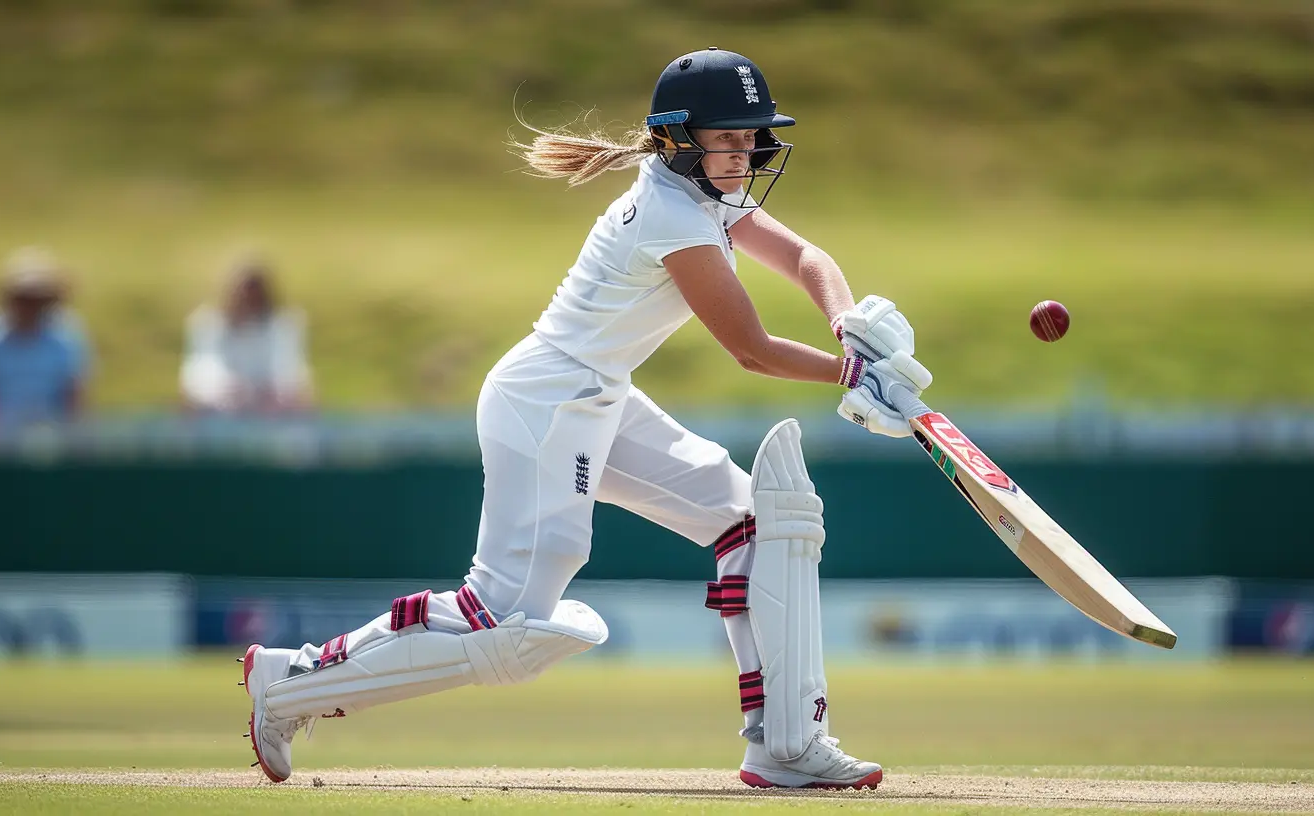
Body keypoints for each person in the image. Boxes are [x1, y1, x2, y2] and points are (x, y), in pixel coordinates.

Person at [240, 47, 931, 790]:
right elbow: (751, 350)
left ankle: (785, 744)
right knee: (503, 619)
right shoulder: (670, 213)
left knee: (755, 521)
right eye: (728, 139)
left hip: (598, 394)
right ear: (678, 138)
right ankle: (289, 684)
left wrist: (848, 327)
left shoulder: (709, 193)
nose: (745, 153)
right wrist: (856, 375)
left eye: (750, 138)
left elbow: (806, 259)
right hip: (546, 401)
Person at [0, 247, 92, 428]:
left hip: (52, 438)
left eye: (37, 299)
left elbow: (75, 398)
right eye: (23, 298)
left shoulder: (67, 336)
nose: (30, 306)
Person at [180, 256, 314, 414]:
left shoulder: (283, 326)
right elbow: (198, 374)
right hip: (217, 412)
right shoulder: (208, 325)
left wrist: (272, 389)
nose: (249, 302)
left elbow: (290, 370)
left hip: (271, 413)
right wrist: (226, 389)